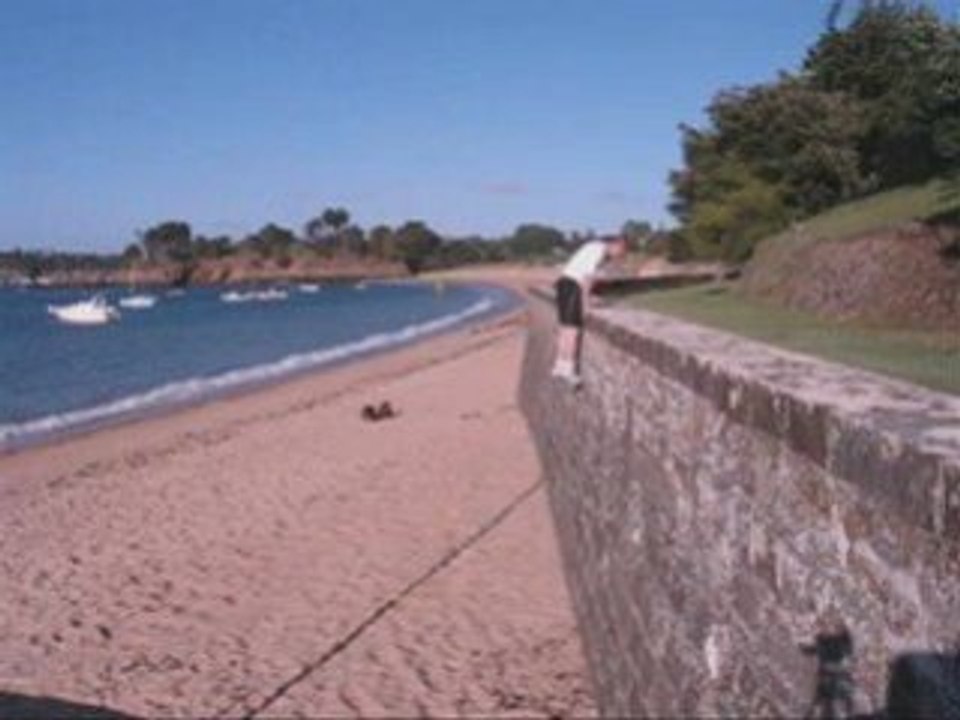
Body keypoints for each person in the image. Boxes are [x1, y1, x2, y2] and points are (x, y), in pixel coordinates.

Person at [551, 234, 629, 386]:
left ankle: (560, 366)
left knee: (565, 329)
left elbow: (586, 275)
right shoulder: (598, 250)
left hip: (563, 284)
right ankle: (569, 371)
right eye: (621, 251)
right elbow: (586, 279)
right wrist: (585, 304)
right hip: (572, 285)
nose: (619, 256)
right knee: (573, 331)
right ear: (616, 244)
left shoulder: (592, 247)